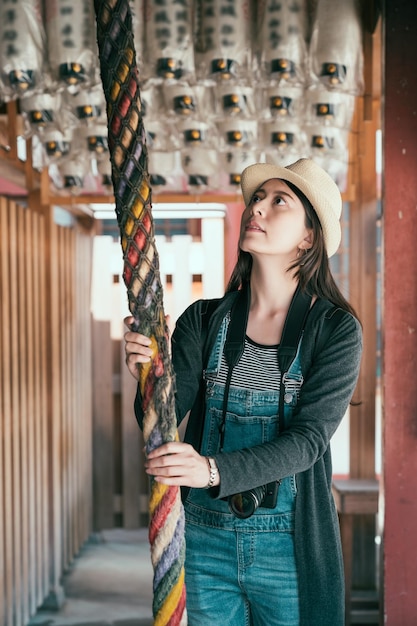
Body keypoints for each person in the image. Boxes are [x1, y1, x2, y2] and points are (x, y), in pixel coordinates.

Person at [124, 158, 363, 626]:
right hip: (204, 539)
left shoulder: (334, 330)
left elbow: (309, 441)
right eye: (257, 198)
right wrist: (148, 380)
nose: (258, 208)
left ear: (308, 236)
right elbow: (164, 428)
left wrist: (211, 469)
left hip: (289, 543)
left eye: (279, 202)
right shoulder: (204, 320)